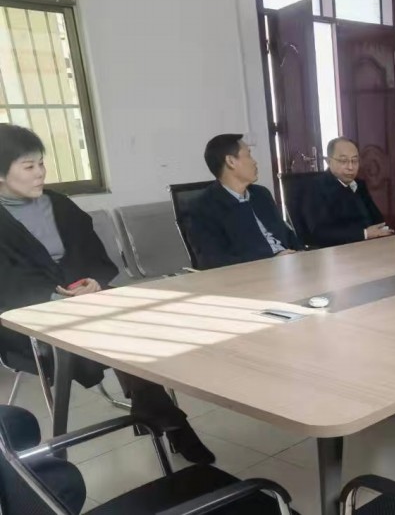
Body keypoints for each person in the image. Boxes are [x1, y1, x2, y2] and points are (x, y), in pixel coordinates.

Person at [0, 124, 213, 464]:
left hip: (86, 297)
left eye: (41, 163)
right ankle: (170, 422)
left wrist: (92, 281)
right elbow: (6, 282)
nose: (40, 172)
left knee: (137, 322)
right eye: (29, 166)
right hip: (27, 314)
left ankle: (156, 411)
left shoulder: (58, 204)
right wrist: (55, 297)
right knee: (118, 332)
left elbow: (93, 253)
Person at [189, 134, 299, 270]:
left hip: (289, 264)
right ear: (231, 161)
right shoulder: (202, 207)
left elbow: (286, 234)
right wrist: (271, 259)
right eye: (249, 155)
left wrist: (303, 254)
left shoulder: (261, 194)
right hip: (254, 273)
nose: (254, 162)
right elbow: (213, 260)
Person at [303, 137, 391, 247]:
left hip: (369, 246)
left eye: (354, 161)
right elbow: (319, 233)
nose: (350, 167)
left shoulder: (358, 184)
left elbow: (378, 220)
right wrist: (365, 234)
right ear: (329, 161)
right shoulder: (315, 188)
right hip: (337, 251)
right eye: (343, 161)